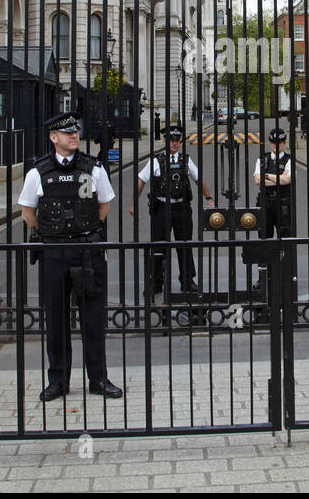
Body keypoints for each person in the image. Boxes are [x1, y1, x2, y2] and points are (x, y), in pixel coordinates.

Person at [19, 112, 123, 402]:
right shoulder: (37, 172)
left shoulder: (94, 169)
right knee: (55, 319)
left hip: (87, 252)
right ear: (54, 138)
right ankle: (58, 381)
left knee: (93, 319)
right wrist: (52, 235)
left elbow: (104, 205)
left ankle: (99, 379)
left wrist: (83, 230)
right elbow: (28, 213)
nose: (74, 136)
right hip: (53, 252)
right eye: (67, 133)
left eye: (75, 132)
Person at [131, 125, 214, 295]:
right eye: (171, 140)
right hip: (161, 208)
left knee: (184, 244)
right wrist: (133, 203)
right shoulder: (155, 161)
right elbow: (141, 181)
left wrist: (209, 198)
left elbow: (199, 179)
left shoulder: (185, 160)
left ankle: (187, 280)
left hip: (182, 208)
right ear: (165, 141)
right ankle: (156, 282)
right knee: (159, 245)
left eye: (177, 140)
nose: (174, 144)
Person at [252, 126, 293, 291]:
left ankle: (286, 276)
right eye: (273, 142)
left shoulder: (289, 159)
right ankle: (263, 278)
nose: (276, 145)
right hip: (266, 204)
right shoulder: (262, 159)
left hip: (283, 204)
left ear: (284, 143)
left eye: (280, 142)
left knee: (285, 240)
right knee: (264, 240)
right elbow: (257, 180)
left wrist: (267, 176)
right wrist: (278, 178)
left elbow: (287, 180)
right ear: (270, 143)